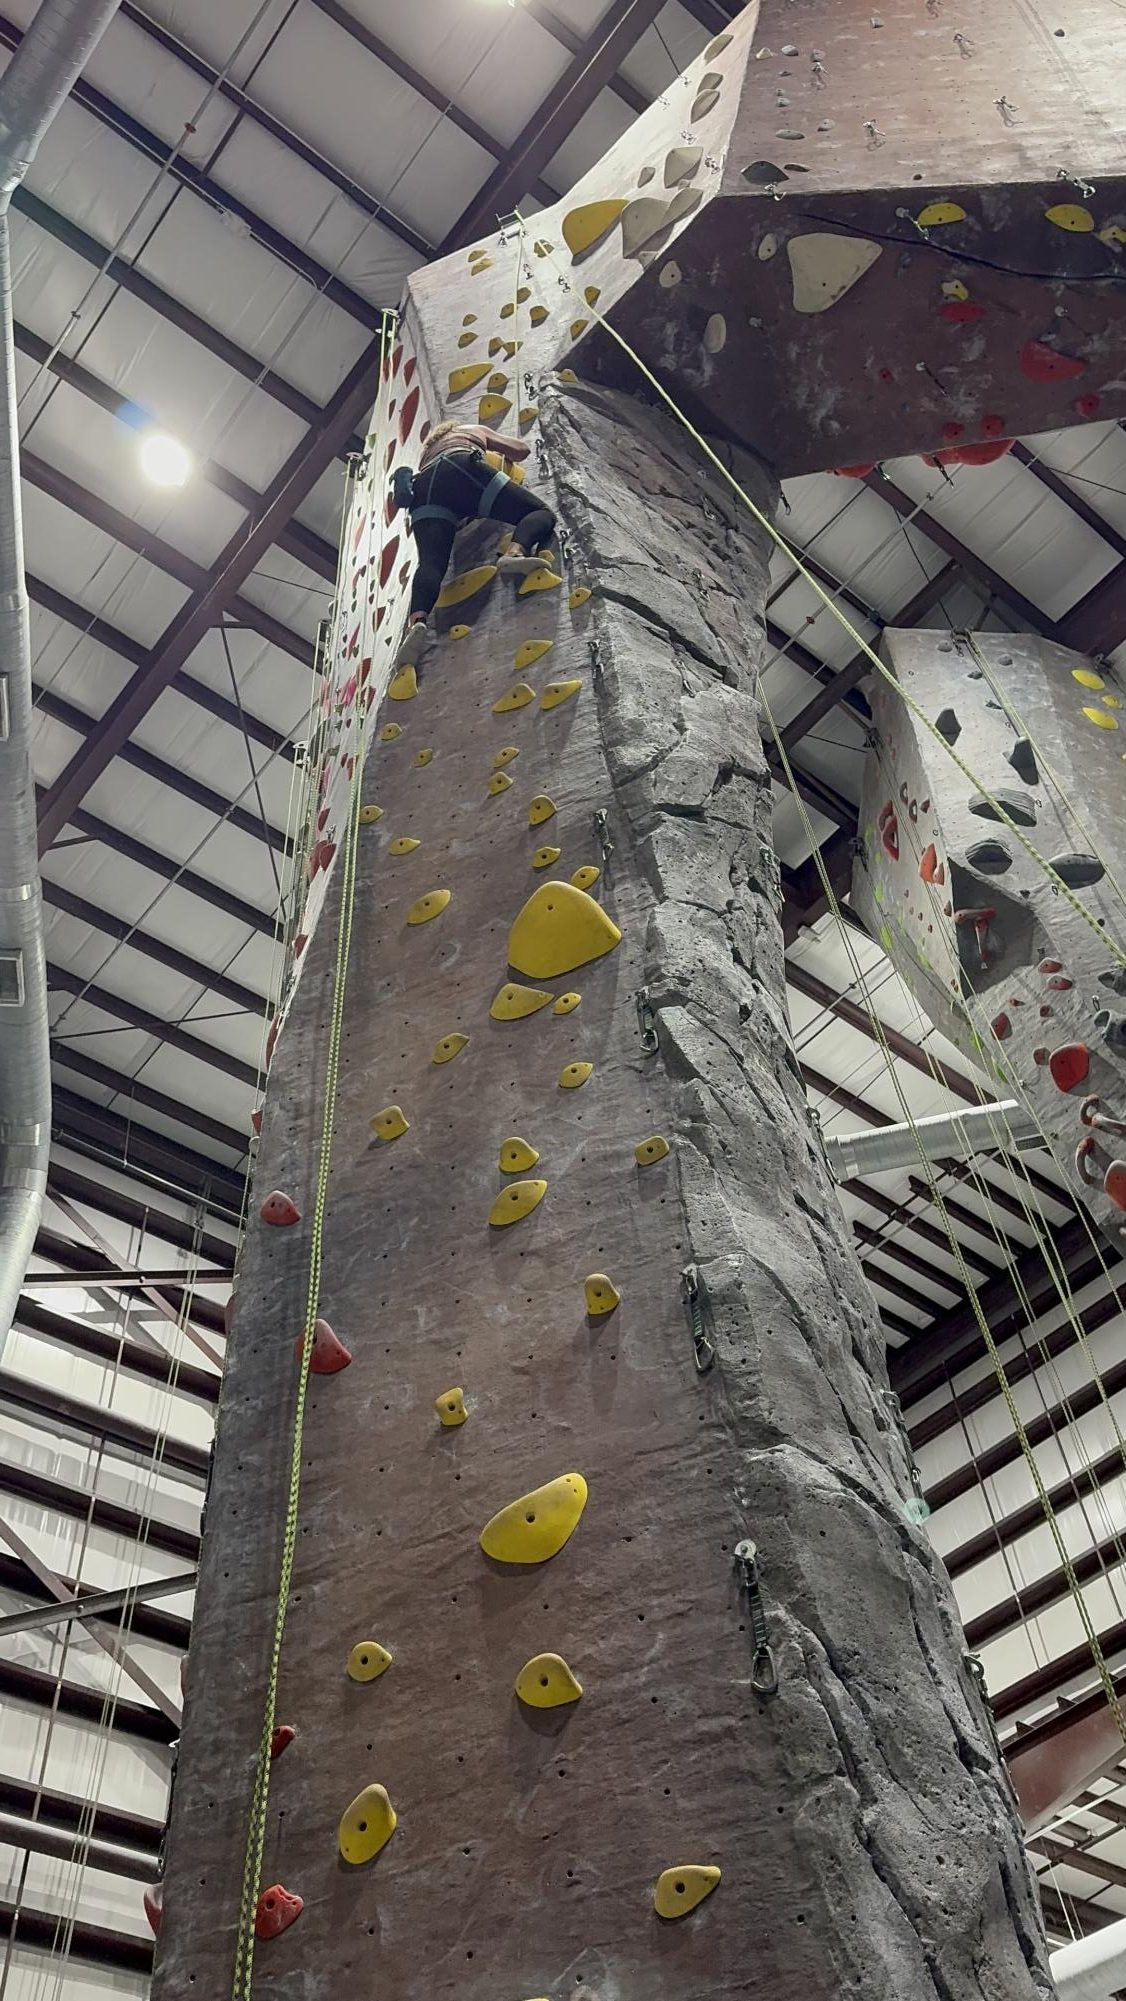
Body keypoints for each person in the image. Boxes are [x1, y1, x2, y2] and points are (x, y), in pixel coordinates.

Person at [391, 419, 557, 669]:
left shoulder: (426, 456)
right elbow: (520, 450)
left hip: (423, 490)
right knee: (540, 513)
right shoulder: (468, 430)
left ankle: (417, 623)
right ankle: (514, 554)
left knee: (431, 563)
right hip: (459, 468)